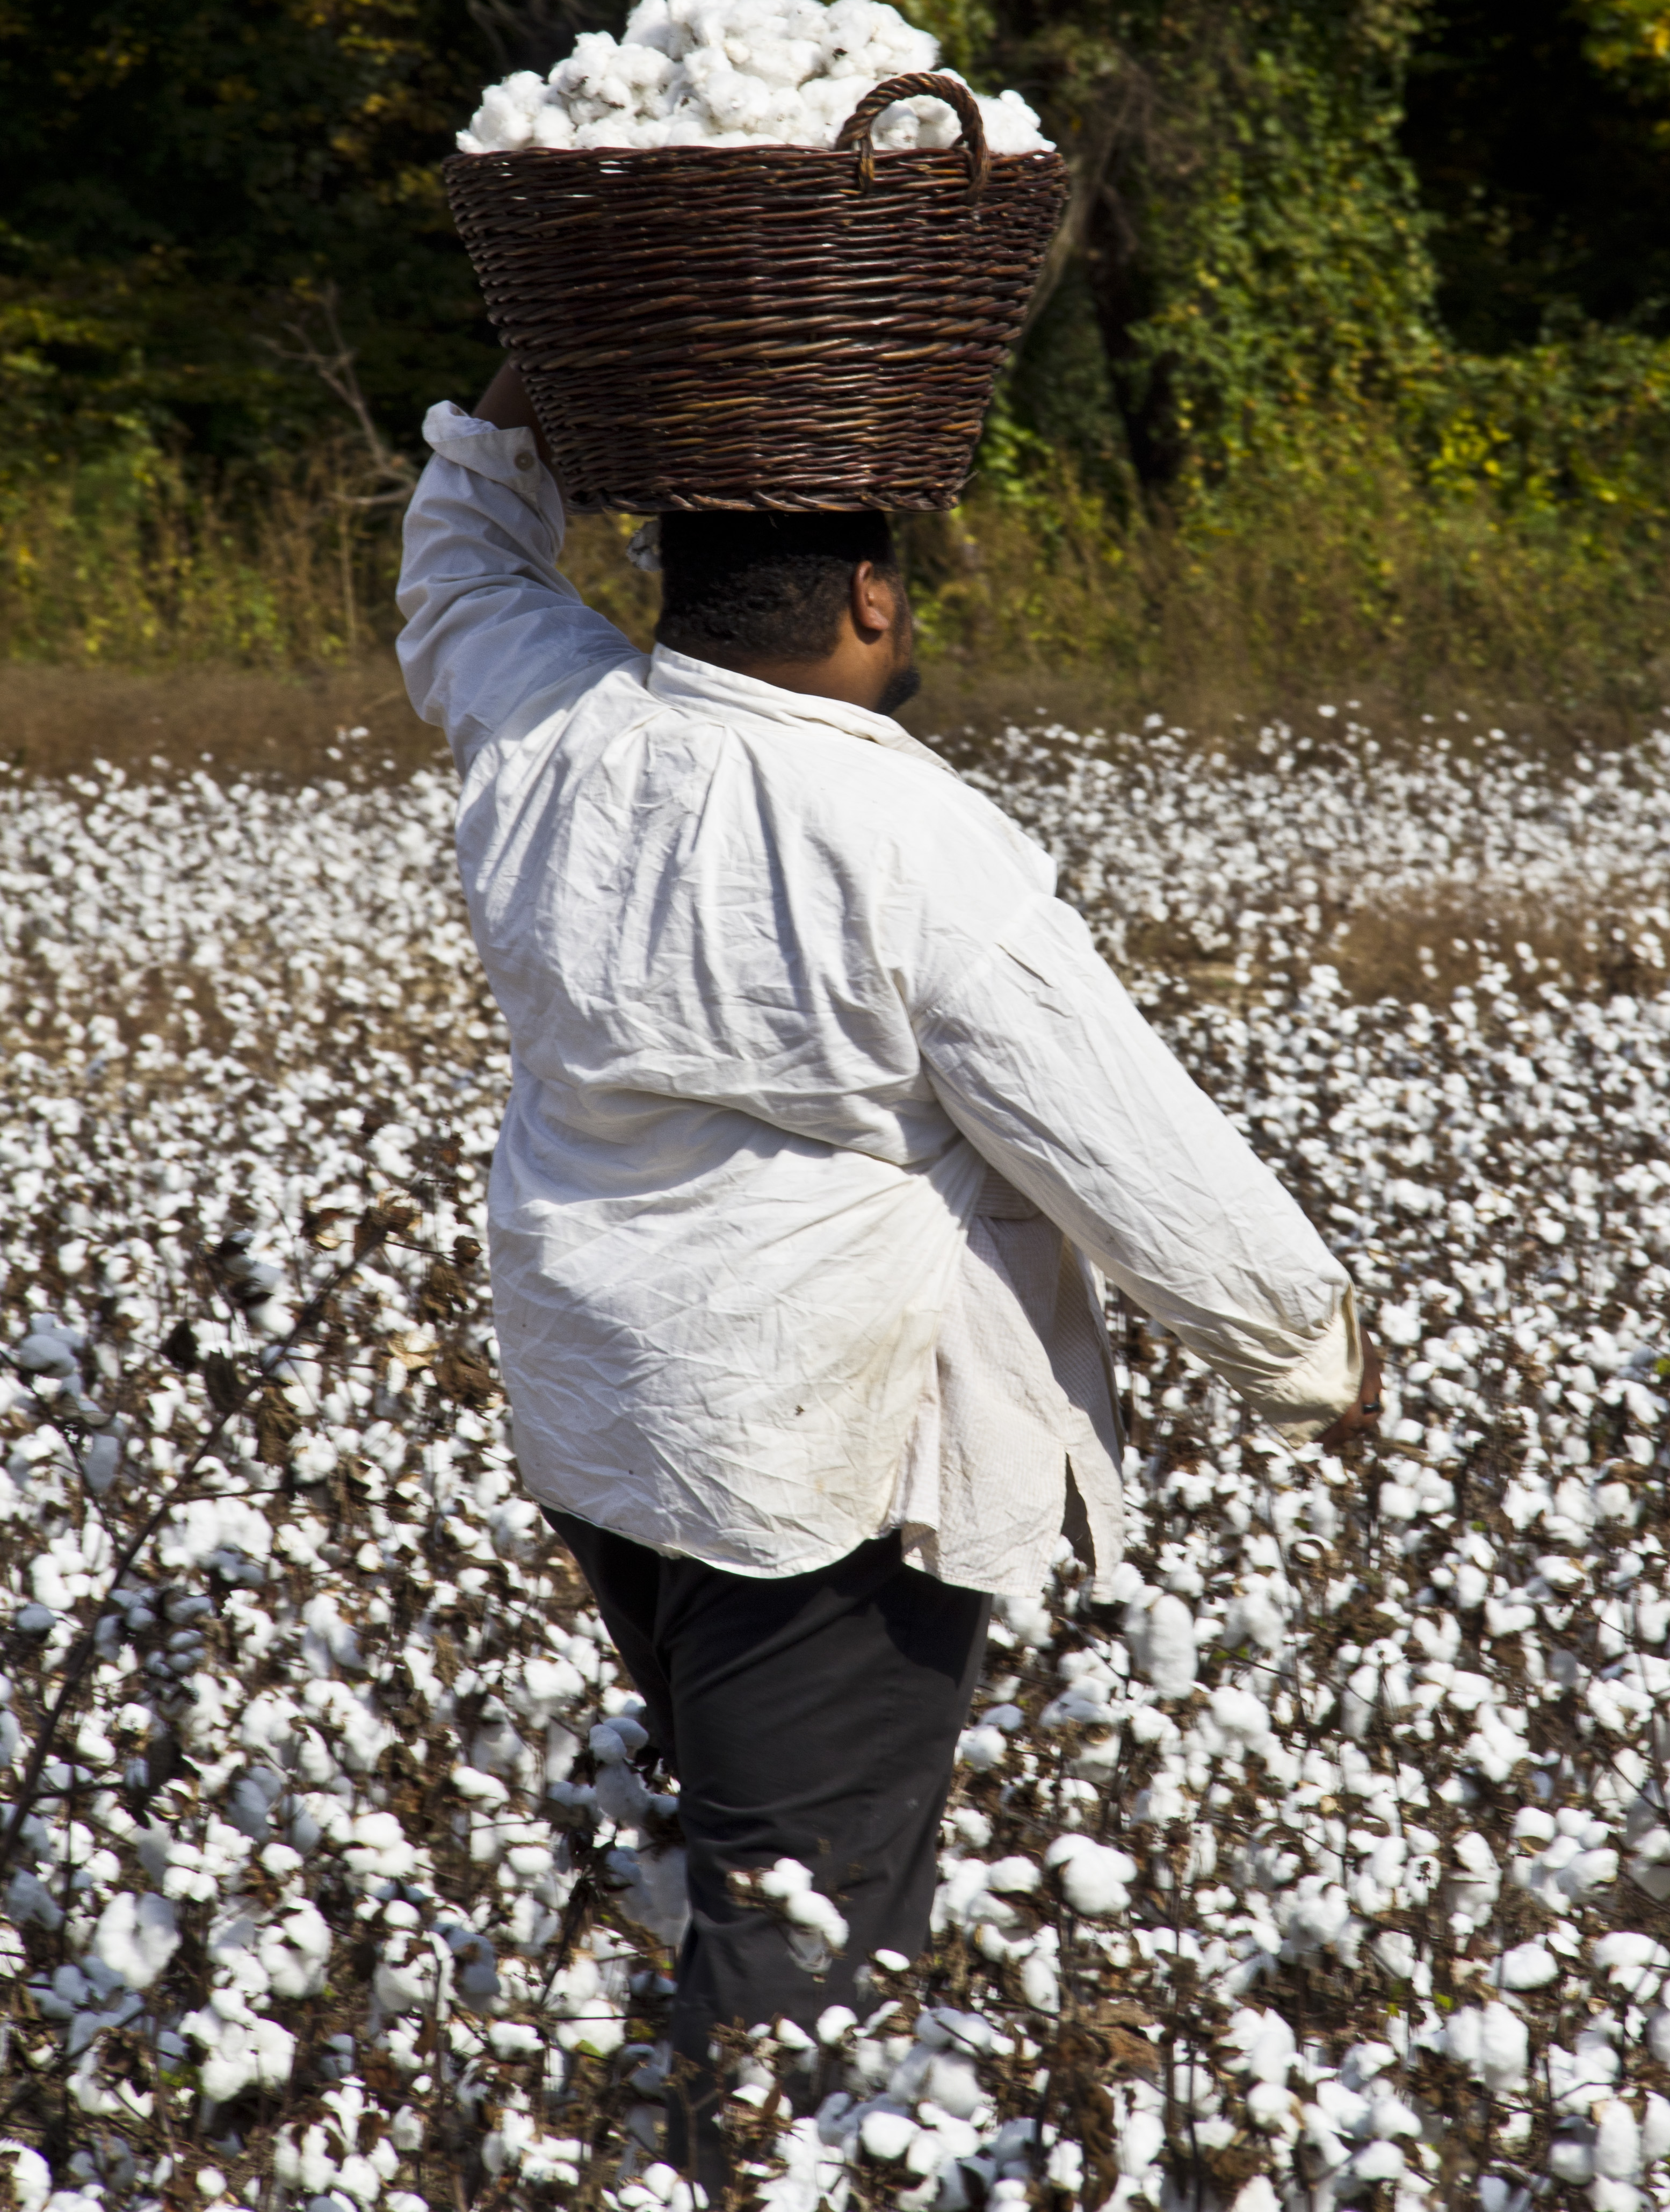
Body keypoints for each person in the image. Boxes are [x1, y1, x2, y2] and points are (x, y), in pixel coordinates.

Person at [396, 368, 1380, 2172]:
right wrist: (1309, 1353)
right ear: (870, 596)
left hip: (612, 1418)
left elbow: (461, 570)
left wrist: (511, 411)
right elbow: (1112, 1129)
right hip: (816, 1463)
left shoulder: (552, 728)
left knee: (752, 1845)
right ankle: (748, 2160)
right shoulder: (913, 835)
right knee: (801, 1934)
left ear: (677, 589)